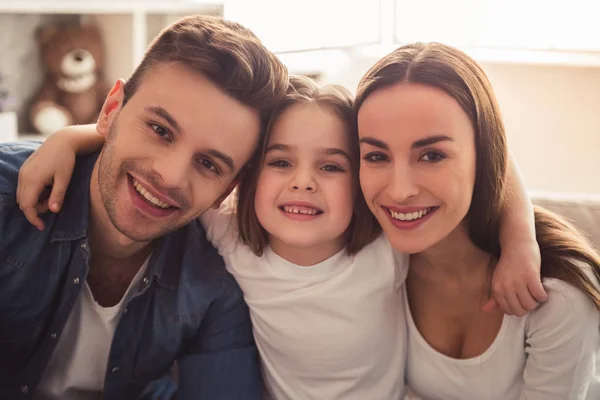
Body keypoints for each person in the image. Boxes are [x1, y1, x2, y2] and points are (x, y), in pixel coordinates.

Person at [17, 73, 545, 399]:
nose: (303, 181)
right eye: (280, 161)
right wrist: (71, 136)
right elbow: (158, 165)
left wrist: (521, 239)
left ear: (362, 180)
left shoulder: (387, 244)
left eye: (333, 166)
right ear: (245, 176)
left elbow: (487, 165)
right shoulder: (229, 235)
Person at [0, 14, 288, 400]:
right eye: (159, 130)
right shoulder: (7, 201)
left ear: (227, 190)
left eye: (208, 165)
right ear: (110, 110)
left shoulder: (215, 288)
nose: (169, 176)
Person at [355, 42, 600, 399]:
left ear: (484, 156)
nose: (399, 191)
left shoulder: (558, 296)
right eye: (376, 156)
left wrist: (520, 241)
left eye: (432, 155)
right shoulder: (371, 258)